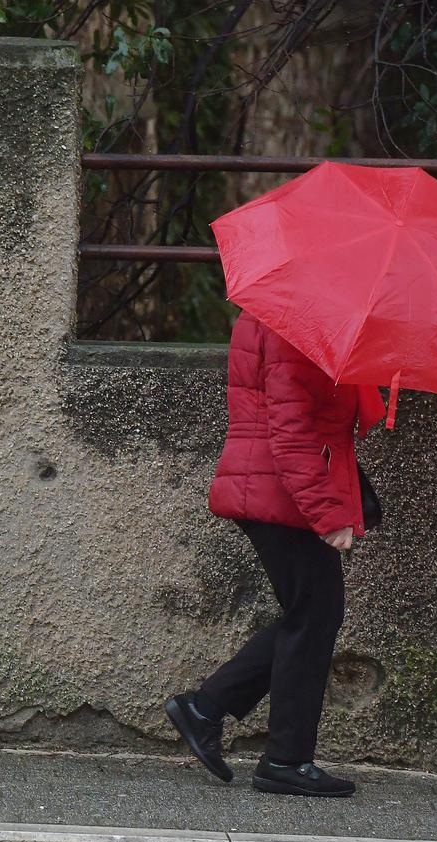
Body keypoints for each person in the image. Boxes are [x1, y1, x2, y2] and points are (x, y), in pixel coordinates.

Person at [165, 311, 385, 798]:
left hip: (274, 486)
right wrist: (329, 514)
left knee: (311, 613)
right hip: (281, 490)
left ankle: (207, 710)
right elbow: (288, 432)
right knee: (317, 612)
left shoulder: (291, 318)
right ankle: (284, 758)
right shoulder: (293, 325)